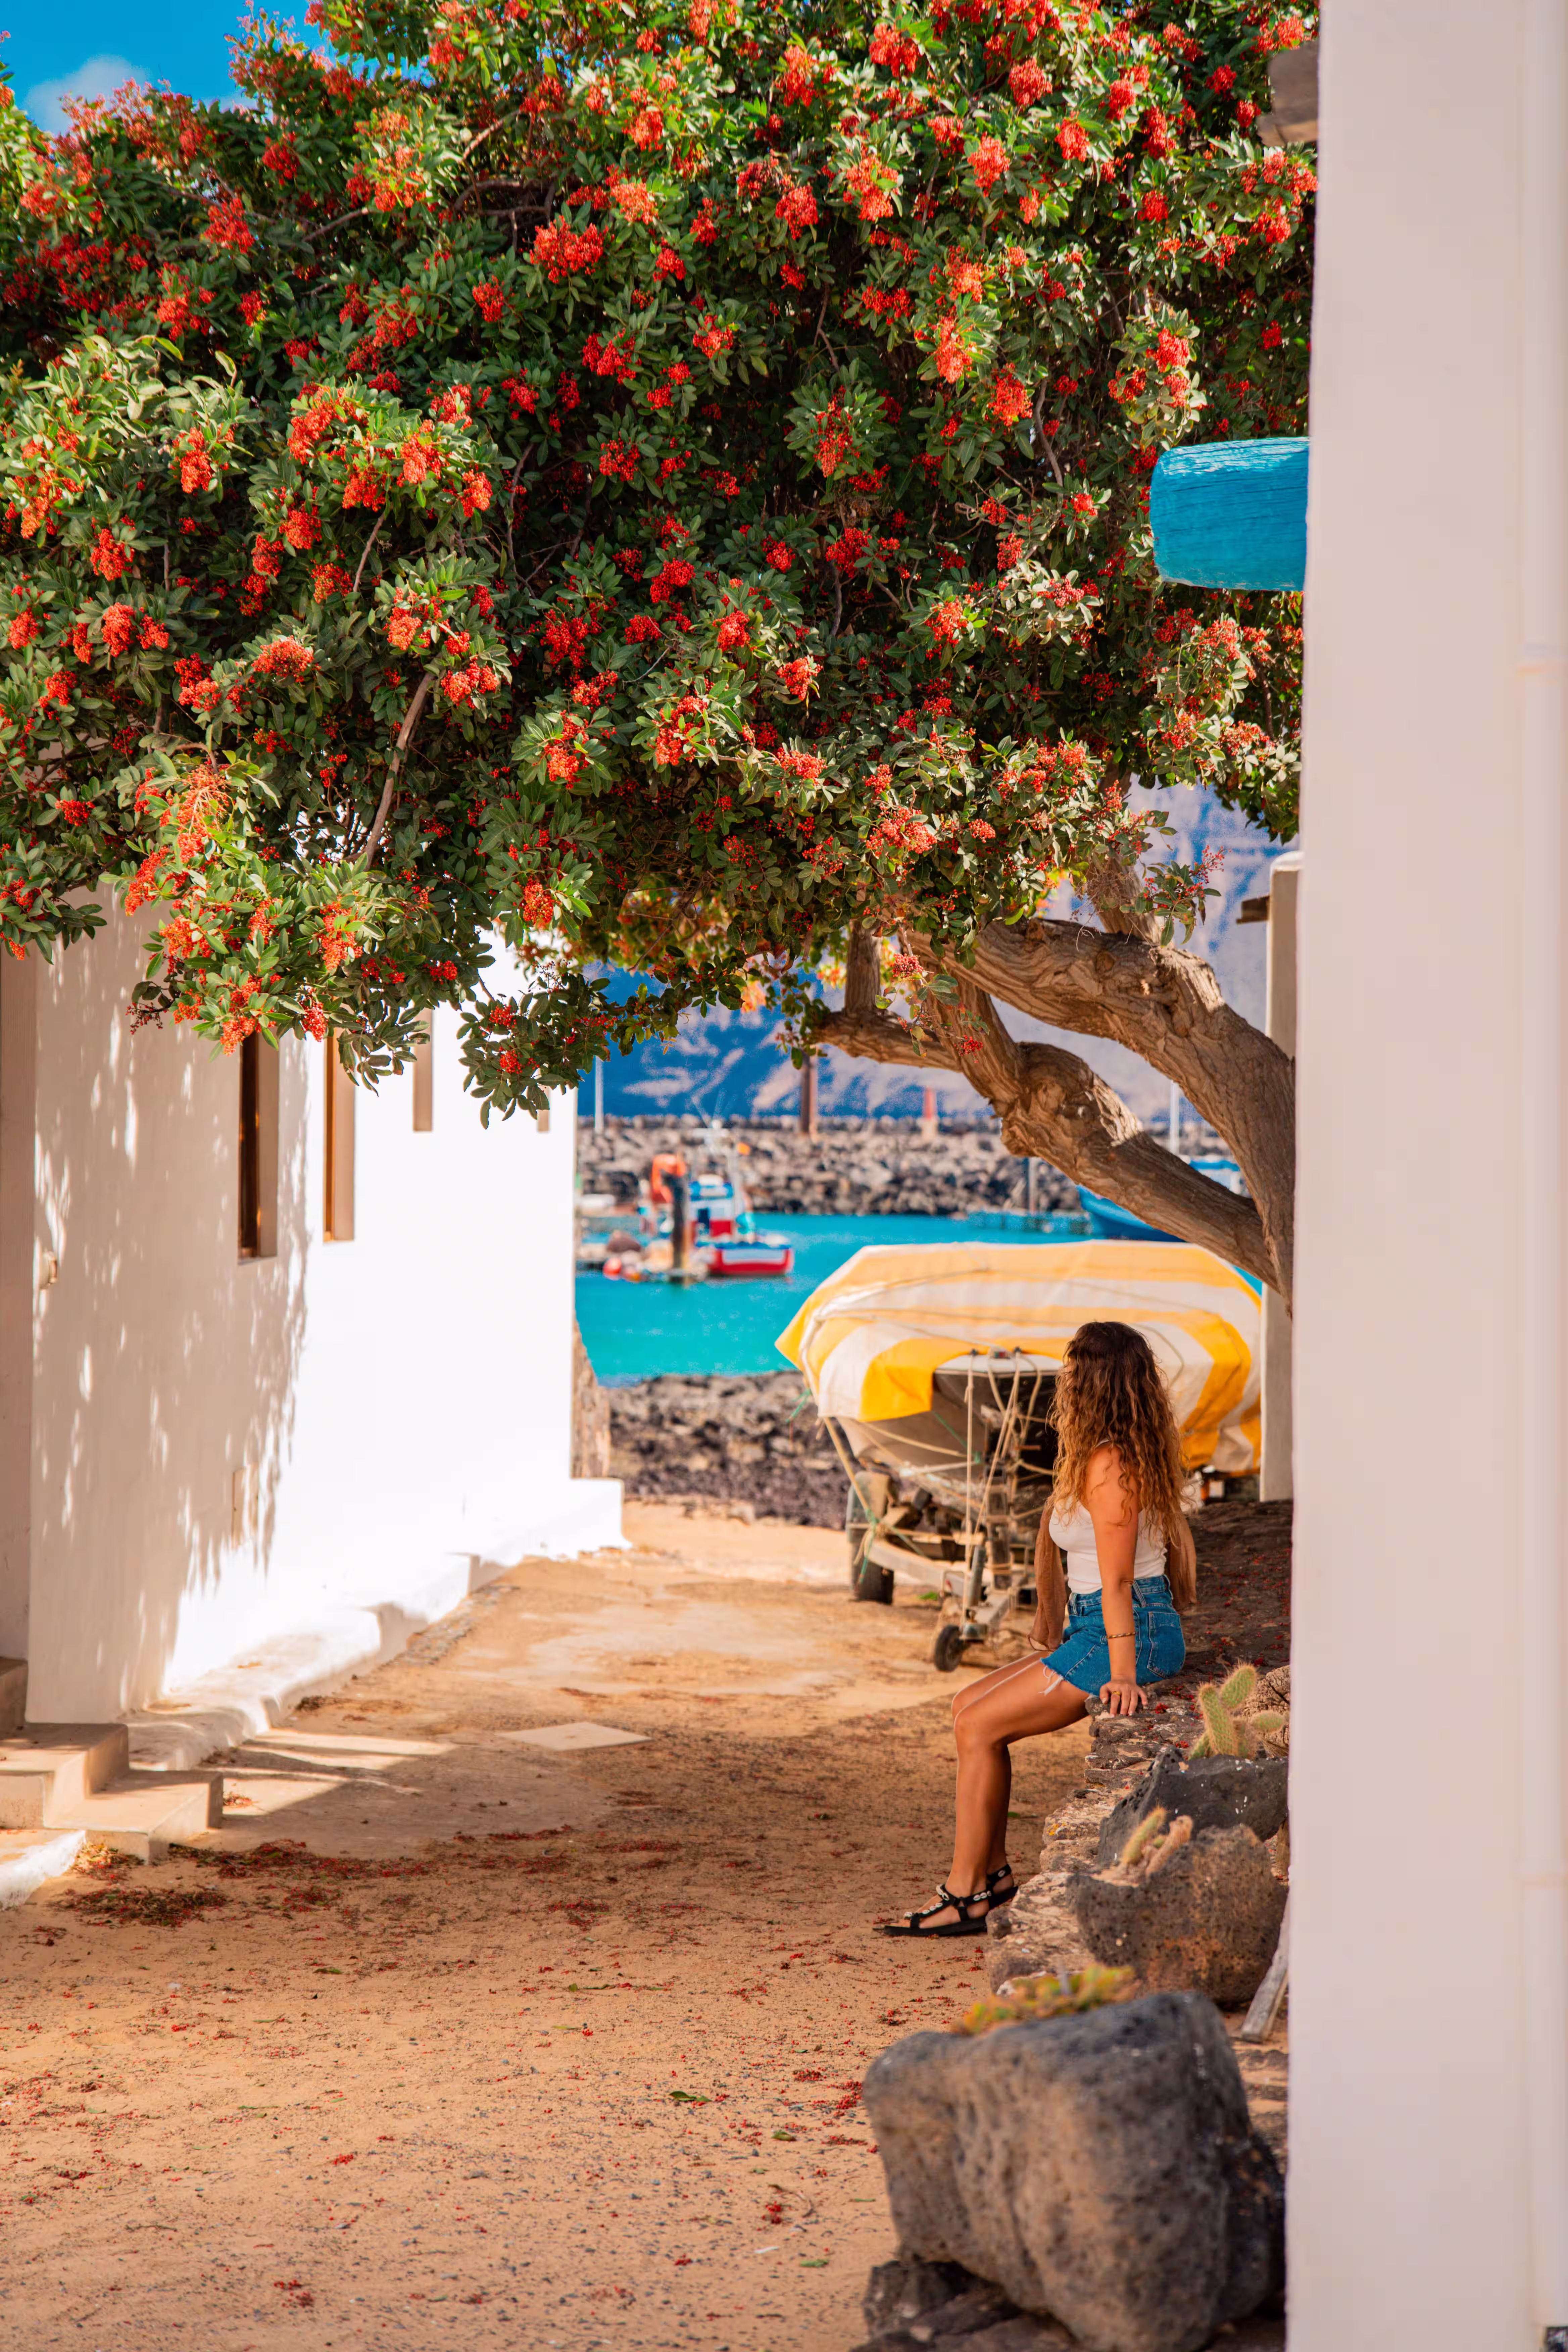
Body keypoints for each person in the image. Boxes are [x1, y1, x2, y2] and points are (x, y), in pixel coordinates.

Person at [880, 1320, 1195, 1938]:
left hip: (1130, 1630)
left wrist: (1125, 1674)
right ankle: (993, 1875)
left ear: (1096, 1384)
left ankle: (967, 1892)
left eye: (1074, 1373)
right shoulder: (1103, 1453)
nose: (1064, 1382)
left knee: (978, 1724)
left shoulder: (1113, 1466)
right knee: (966, 1704)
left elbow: (1120, 1582)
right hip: (1093, 1625)